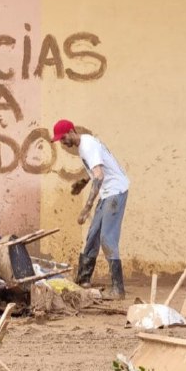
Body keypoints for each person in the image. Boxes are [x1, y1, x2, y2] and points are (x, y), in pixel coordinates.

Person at [50, 119, 129, 299]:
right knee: (93, 234)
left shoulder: (88, 146)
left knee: (107, 238)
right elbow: (94, 170)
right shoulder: (84, 144)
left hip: (115, 192)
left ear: (71, 131)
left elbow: (99, 177)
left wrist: (87, 208)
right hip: (107, 193)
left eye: (63, 138)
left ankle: (118, 289)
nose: (62, 143)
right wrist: (83, 182)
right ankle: (83, 279)